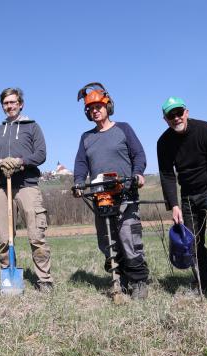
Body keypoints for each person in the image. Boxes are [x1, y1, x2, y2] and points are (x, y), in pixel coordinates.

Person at [73, 83, 149, 300]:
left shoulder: (123, 128)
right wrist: (79, 182)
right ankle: (120, 279)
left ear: (108, 106)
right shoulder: (86, 137)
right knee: (107, 241)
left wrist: (138, 173)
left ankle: (138, 282)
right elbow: (81, 163)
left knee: (129, 237)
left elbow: (139, 155)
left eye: (99, 106)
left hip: (125, 192)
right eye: (91, 108)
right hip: (101, 196)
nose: (95, 110)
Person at [157, 97, 207, 307]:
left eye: (179, 113)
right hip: (187, 198)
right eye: (170, 115)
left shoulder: (206, 130)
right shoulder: (163, 142)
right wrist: (174, 205)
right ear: (165, 119)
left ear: (187, 112)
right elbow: (167, 175)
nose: (176, 118)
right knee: (192, 243)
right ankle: (205, 281)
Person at [0, 88, 54, 292]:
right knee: (4, 238)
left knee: (36, 236)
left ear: (20, 104)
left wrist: (21, 161)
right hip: (2, 188)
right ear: (2, 106)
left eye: (13, 102)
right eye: (6, 103)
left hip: (27, 186)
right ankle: (8, 279)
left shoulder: (32, 127)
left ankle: (44, 280)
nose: (10, 106)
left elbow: (41, 154)